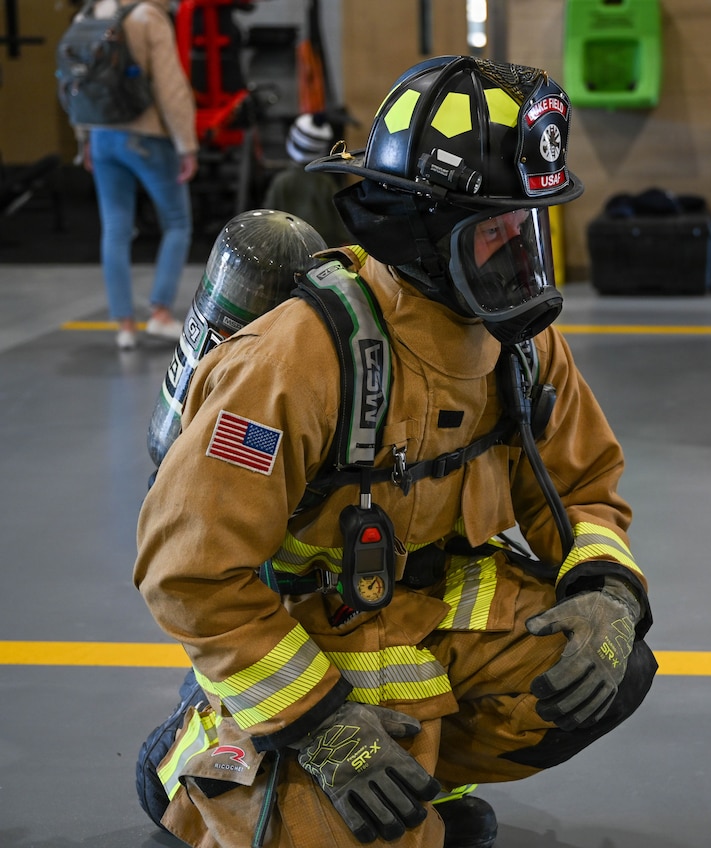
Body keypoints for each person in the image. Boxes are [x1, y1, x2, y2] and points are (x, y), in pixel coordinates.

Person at [133, 55, 656, 848]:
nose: (520, 262)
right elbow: (189, 570)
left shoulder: (519, 344)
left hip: (421, 612)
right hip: (308, 641)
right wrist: (323, 724)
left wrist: (610, 595)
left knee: (608, 674)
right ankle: (193, 760)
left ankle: (420, 773)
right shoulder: (296, 359)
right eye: (496, 235)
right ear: (422, 229)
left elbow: (584, 487)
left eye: (527, 230)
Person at [74, 0, 197, 350]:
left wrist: (83, 139)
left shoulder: (89, 14)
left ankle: (124, 326)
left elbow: (77, 84)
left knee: (115, 229)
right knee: (177, 222)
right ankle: (159, 313)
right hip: (146, 137)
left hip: (100, 135)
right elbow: (170, 87)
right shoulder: (148, 17)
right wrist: (187, 145)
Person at [262, 112, 353, 247]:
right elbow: (342, 222)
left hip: (289, 251)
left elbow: (267, 223)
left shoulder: (280, 182)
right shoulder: (326, 183)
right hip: (325, 252)